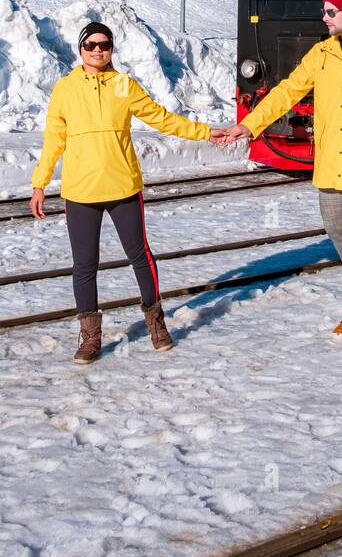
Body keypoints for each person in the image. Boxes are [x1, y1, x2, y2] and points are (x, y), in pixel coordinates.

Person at [219, 0, 342, 335]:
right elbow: (287, 91)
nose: (324, 18)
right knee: (334, 226)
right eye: (324, 12)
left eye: (330, 12)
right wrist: (248, 125)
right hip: (330, 157)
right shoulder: (322, 53)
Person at [30, 21, 229, 363]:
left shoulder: (123, 85)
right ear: (81, 49)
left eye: (104, 45)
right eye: (91, 44)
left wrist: (204, 132)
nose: (98, 50)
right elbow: (54, 140)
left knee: (141, 257)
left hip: (123, 186)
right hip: (81, 191)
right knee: (84, 266)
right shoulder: (65, 89)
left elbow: (162, 118)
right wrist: (40, 182)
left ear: (111, 49)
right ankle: (91, 337)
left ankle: (156, 323)